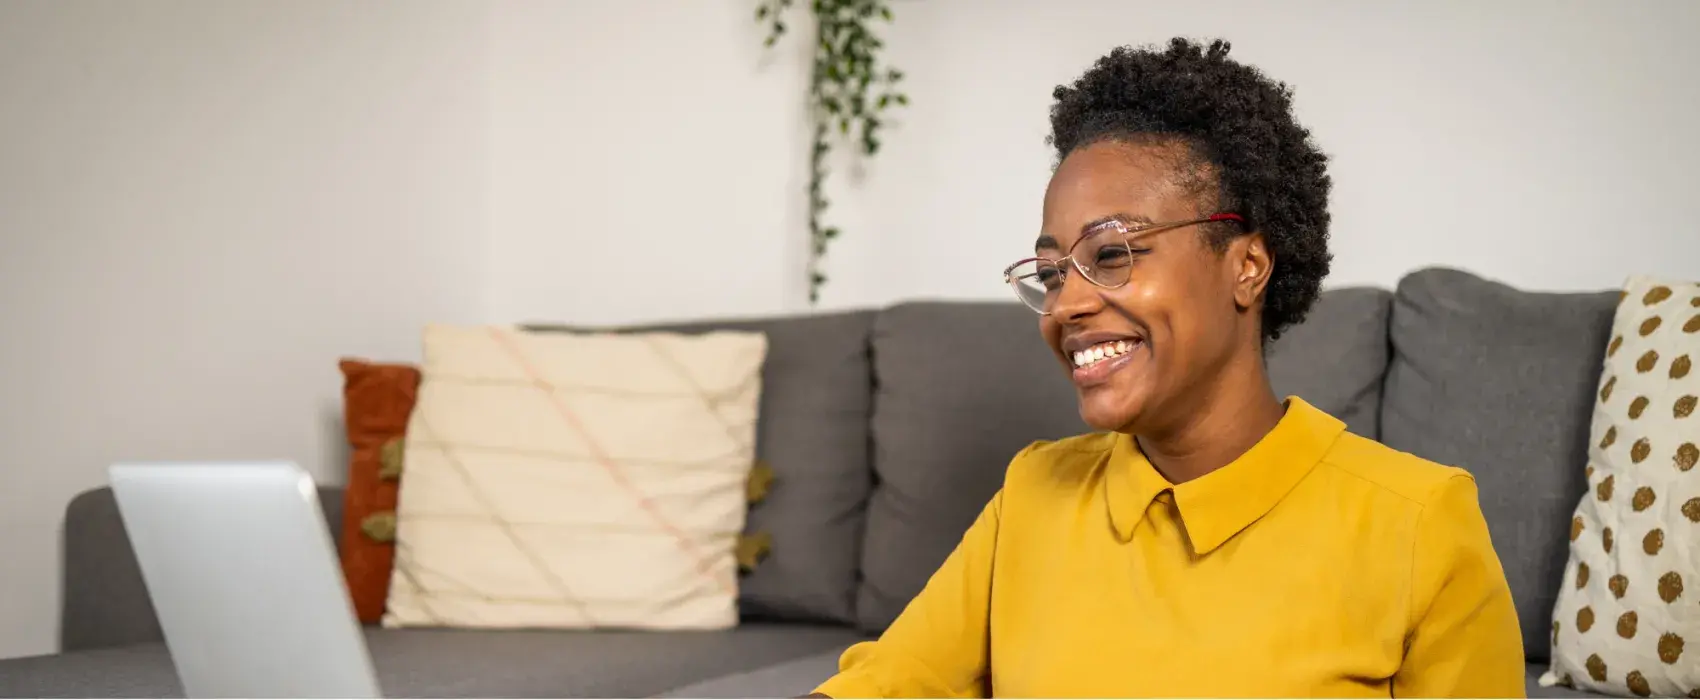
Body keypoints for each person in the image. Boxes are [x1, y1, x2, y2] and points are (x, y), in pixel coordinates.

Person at [810, 38, 1525, 698]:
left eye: (1113, 254)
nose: (1068, 305)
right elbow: (883, 684)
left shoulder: (1418, 525)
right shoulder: (1034, 494)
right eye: (1054, 273)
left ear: (1246, 266)